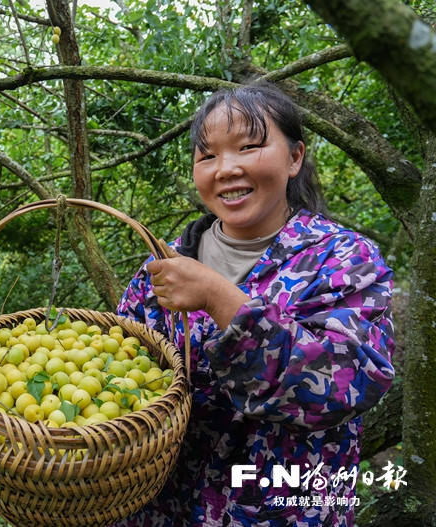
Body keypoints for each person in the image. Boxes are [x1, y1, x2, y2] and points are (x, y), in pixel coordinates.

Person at [113, 82, 395, 527]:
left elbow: (348, 385)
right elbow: (117, 375)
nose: (226, 168)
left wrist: (220, 298)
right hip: (160, 511)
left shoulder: (343, 259)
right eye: (207, 156)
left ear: (294, 157)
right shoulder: (163, 267)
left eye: (250, 146)